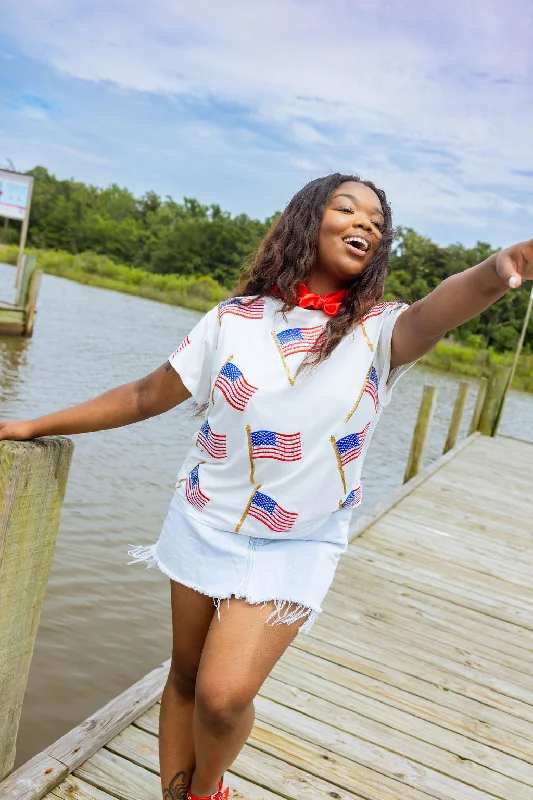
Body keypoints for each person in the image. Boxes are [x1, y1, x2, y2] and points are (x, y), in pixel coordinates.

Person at [1, 173, 531, 800]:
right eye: (347, 208)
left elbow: (447, 302)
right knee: (187, 677)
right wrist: (29, 422)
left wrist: (500, 269)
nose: (365, 224)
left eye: (377, 223)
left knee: (223, 699)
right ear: (309, 220)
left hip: (297, 540)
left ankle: (204, 791)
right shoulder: (233, 319)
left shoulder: (384, 331)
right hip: (204, 518)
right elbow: (146, 395)